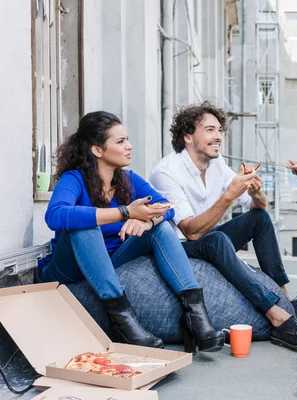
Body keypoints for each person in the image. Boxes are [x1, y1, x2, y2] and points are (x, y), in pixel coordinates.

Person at [38, 111, 224, 353]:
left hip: (112, 259)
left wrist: (148, 222)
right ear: (97, 150)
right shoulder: (74, 179)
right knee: (85, 227)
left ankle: (196, 316)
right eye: (120, 141)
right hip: (69, 266)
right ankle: (124, 321)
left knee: (162, 228)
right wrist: (125, 213)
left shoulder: (128, 179)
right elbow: (55, 215)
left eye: (127, 139)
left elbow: (168, 207)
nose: (129, 146)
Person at [149, 102, 297, 350]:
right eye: (209, 130)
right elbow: (191, 231)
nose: (218, 136)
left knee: (259, 220)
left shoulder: (216, 163)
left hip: (205, 238)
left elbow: (258, 208)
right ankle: (276, 317)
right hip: (178, 246)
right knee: (216, 240)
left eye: (219, 130)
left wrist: (256, 192)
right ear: (187, 136)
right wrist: (228, 195)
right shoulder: (166, 172)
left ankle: (287, 300)